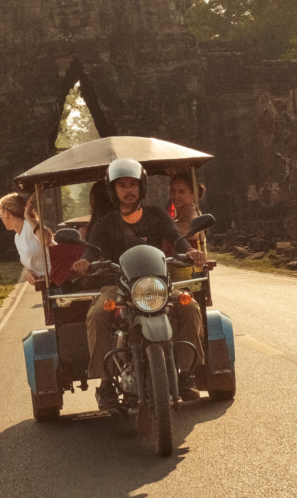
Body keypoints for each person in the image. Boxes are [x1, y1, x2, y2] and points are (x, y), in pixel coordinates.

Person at [73, 158, 206, 409]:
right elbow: (90, 251)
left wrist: (191, 253)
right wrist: (83, 262)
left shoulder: (156, 215)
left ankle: (186, 375)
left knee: (190, 308)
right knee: (97, 313)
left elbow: (178, 240)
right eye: (121, 185)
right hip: (119, 286)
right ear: (113, 190)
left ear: (141, 186)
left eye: (133, 184)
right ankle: (105, 384)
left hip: (157, 285)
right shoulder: (105, 224)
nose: (128, 190)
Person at [0, 192, 52, 285]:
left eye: (0, 213)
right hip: (45, 284)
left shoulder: (31, 225)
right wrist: (26, 272)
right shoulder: (17, 238)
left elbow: (47, 240)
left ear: (6, 213)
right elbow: (31, 261)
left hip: (59, 279)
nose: (0, 217)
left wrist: (27, 217)